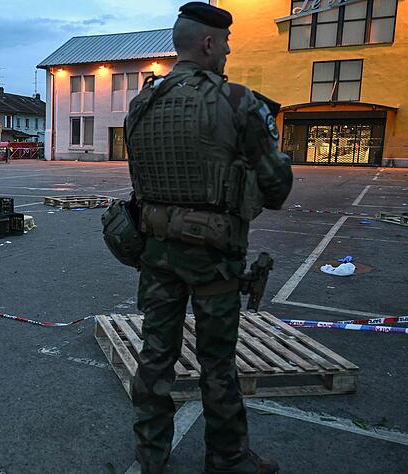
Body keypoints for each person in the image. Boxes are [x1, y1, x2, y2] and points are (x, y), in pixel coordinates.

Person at [123, 3, 293, 473]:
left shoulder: (143, 102)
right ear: (208, 44)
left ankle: (150, 457)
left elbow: (140, 178)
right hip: (215, 257)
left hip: (156, 251)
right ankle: (227, 457)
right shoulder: (239, 101)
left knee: (156, 355)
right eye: (226, 43)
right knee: (217, 361)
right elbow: (278, 189)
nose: (229, 50)